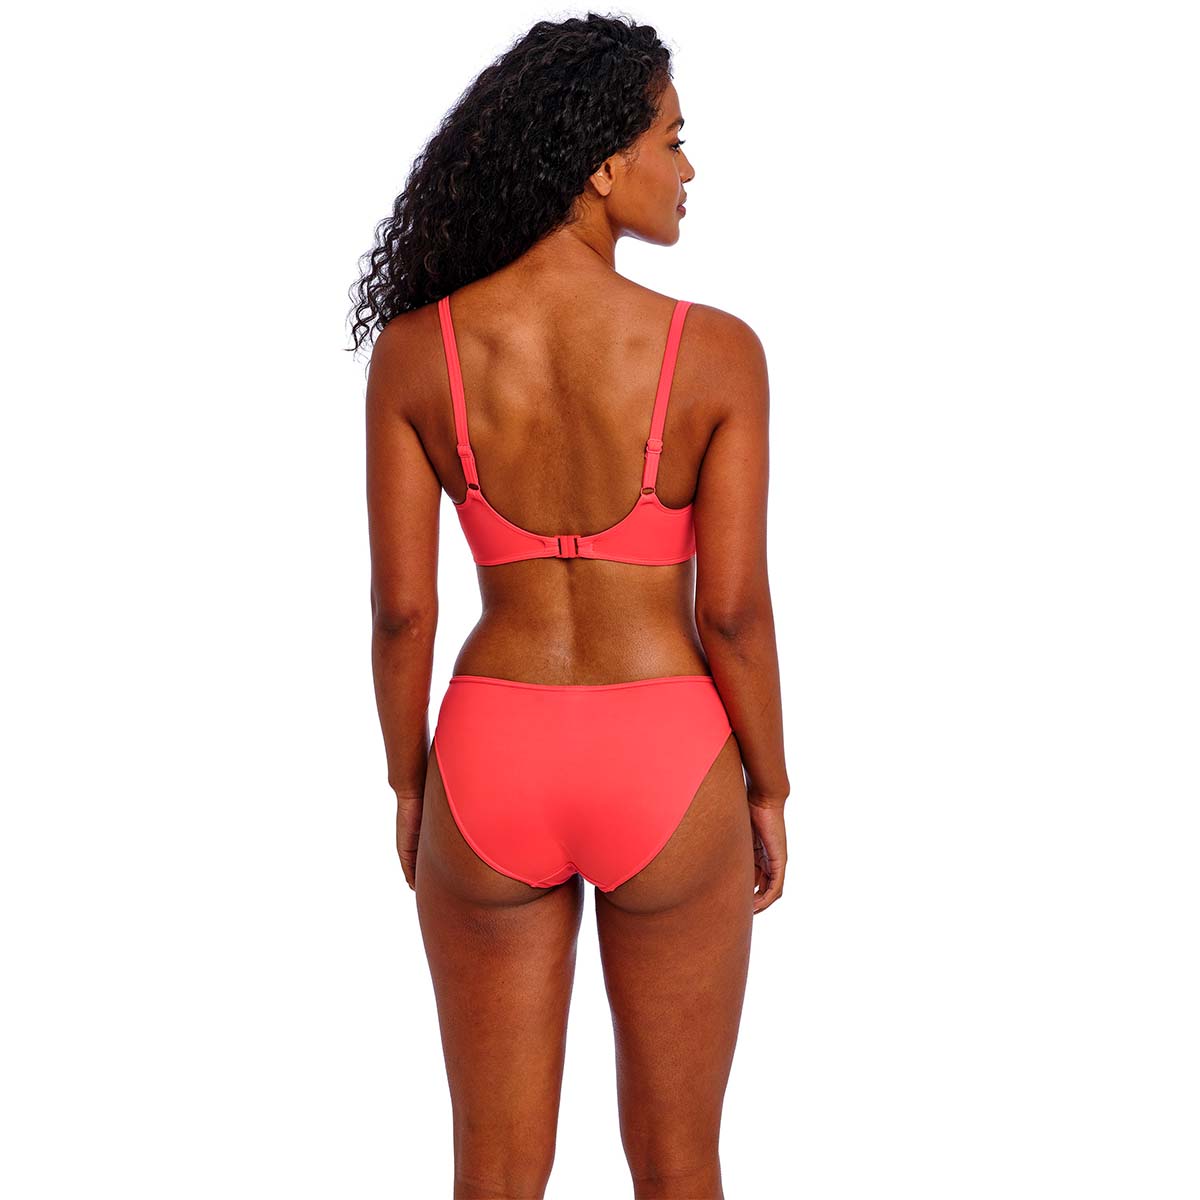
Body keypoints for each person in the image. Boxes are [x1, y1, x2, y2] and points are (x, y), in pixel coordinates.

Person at [350, 14, 789, 1199]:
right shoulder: (716, 354)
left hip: (491, 754)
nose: (688, 168)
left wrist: (409, 783)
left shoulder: (416, 354)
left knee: (493, 1170)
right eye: (672, 139)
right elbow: (734, 613)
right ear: (602, 163)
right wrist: (769, 783)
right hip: (667, 757)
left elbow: (402, 614)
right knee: (679, 1163)